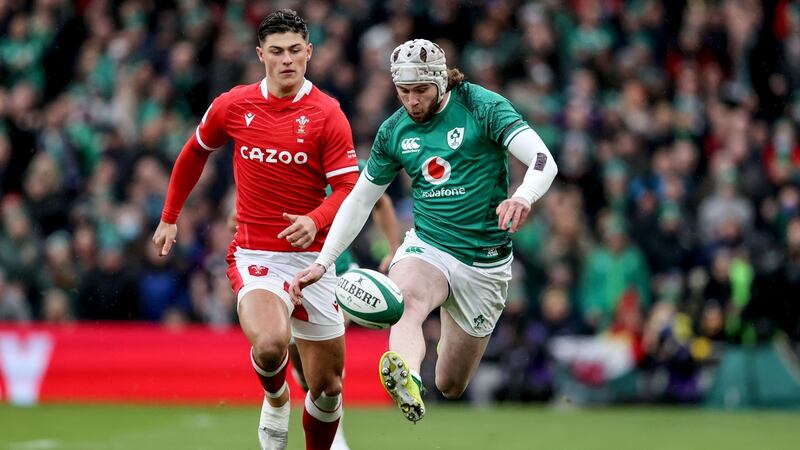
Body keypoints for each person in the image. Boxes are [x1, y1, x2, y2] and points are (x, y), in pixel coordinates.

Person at [290, 39, 558, 423]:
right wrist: (323, 261)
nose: (412, 101)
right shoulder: (394, 131)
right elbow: (360, 200)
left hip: (485, 264)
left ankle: (428, 377)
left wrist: (523, 196)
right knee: (407, 301)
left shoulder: (482, 106)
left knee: (450, 382)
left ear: (441, 82)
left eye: (420, 91)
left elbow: (543, 160)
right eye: (403, 92)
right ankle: (408, 378)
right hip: (428, 246)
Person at [153, 9, 359, 450]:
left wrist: (316, 219)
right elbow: (194, 152)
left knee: (328, 389)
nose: (287, 60)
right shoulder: (234, 104)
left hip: (314, 262)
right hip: (256, 254)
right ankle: (276, 396)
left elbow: (348, 186)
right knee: (270, 345)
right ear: (260, 54)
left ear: (309, 53)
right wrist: (170, 216)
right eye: (277, 51)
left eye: (295, 51)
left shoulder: (327, 114)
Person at [227, 167, 401, 450]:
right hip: (288, 274)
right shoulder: (281, 166)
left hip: (340, 276)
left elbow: (380, 200)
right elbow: (236, 218)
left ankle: (336, 434)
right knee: (300, 362)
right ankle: (293, 397)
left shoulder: (345, 168)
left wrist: (394, 247)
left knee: (328, 369)